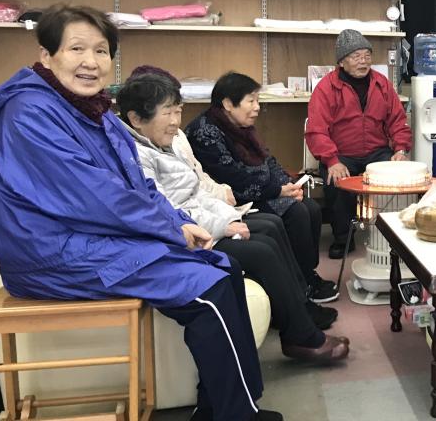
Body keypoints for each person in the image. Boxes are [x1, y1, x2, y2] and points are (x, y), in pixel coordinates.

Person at [0, 4, 281, 421]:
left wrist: (177, 222)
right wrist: (171, 230)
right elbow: (95, 196)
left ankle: (221, 409)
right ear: (47, 56)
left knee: (224, 265)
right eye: (76, 49)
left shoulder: (90, 110)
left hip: (89, 239)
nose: (90, 62)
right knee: (206, 292)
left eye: (101, 51)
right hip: (51, 254)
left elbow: (135, 185)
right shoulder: (28, 114)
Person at [117, 73, 349, 364]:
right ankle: (301, 336)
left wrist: (230, 217)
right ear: (136, 118)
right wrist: (225, 222)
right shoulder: (141, 153)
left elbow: (198, 188)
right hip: (183, 237)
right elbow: (168, 207)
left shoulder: (167, 143)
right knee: (265, 245)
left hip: (208, 216)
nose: (177, 121)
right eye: (168, 113)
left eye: (178, 111)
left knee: (272, 227)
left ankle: (298, 308)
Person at [185, 72, 338, 304]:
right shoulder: (205, 131)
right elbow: (233, 177)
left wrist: (287, 184)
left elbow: (267, 160)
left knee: (311, 208)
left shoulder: (241, 125)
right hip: (232, 197)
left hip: (260, 189)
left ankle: (306, 274)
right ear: (228, 103)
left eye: (258, 100)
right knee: (296, 212)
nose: (257, 107)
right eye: (251, 101)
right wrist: (278, 190)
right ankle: (300, 283)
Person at [305, 29, 412, 259]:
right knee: (337, 181)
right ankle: (343, 238)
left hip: (376, 151)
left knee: (397, 177)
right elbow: (316, 130)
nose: (363, 62)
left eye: (367, 56)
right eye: (356, 56)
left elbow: (398, 120)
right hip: (341, 153)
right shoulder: (326, 88)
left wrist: (401, 149)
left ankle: (391, 235)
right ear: (342, 61)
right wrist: (331, 160)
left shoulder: (381, 84)